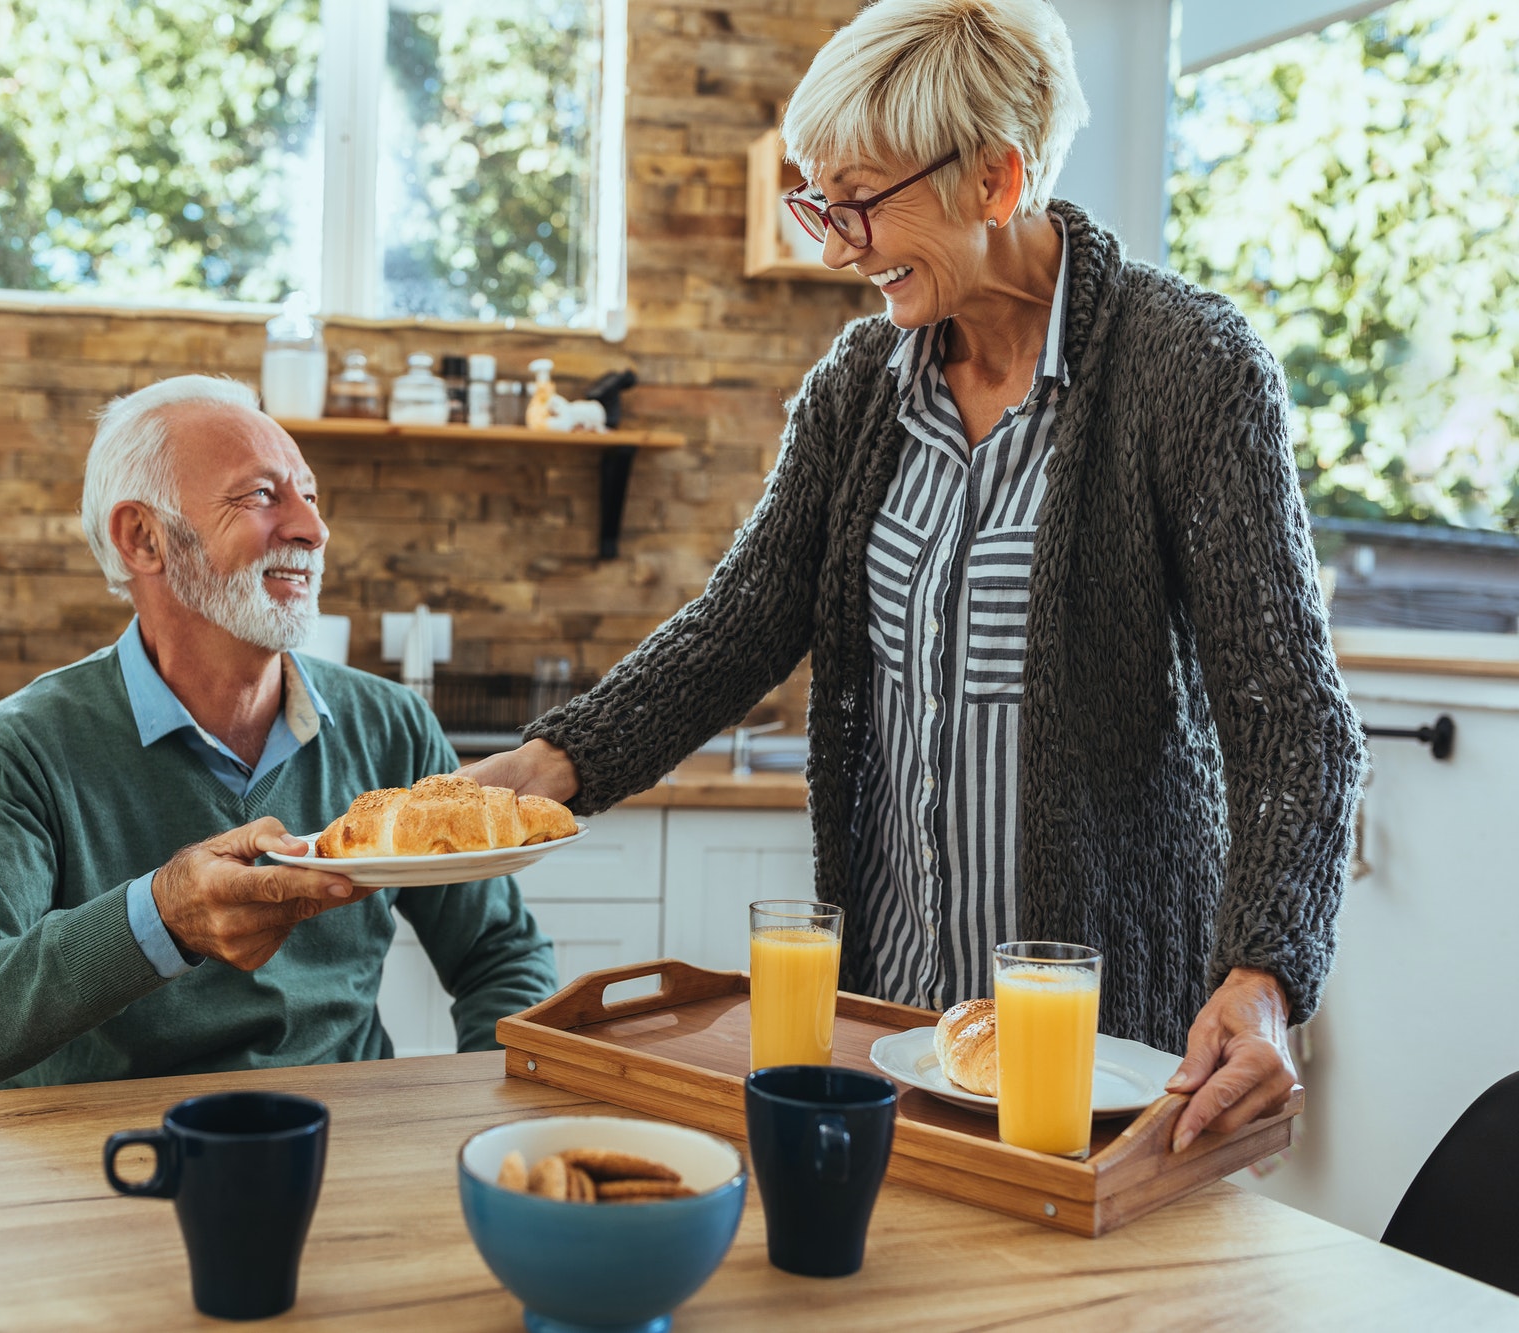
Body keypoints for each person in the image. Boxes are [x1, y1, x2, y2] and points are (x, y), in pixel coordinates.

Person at [462, 0, 1364, 1154]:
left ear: (994, 178)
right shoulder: (856, 389)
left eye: (859, 202)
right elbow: (742, 622)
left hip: (1102, 1052)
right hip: (886, 1030)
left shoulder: (1186, 370)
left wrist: (1263, 978)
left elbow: (1293, 725)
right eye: (817, 202)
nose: (833, 244)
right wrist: (547, 767)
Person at [0, 375, 556, 1096]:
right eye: (262, 495)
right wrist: (158, 918)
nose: (312, 530)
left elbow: (501, 954)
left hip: (344, 1146)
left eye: (310, 496)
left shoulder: (392, 727)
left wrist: (490, 1113)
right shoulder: (22, 752)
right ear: (142, 537)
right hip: (111, 1164)